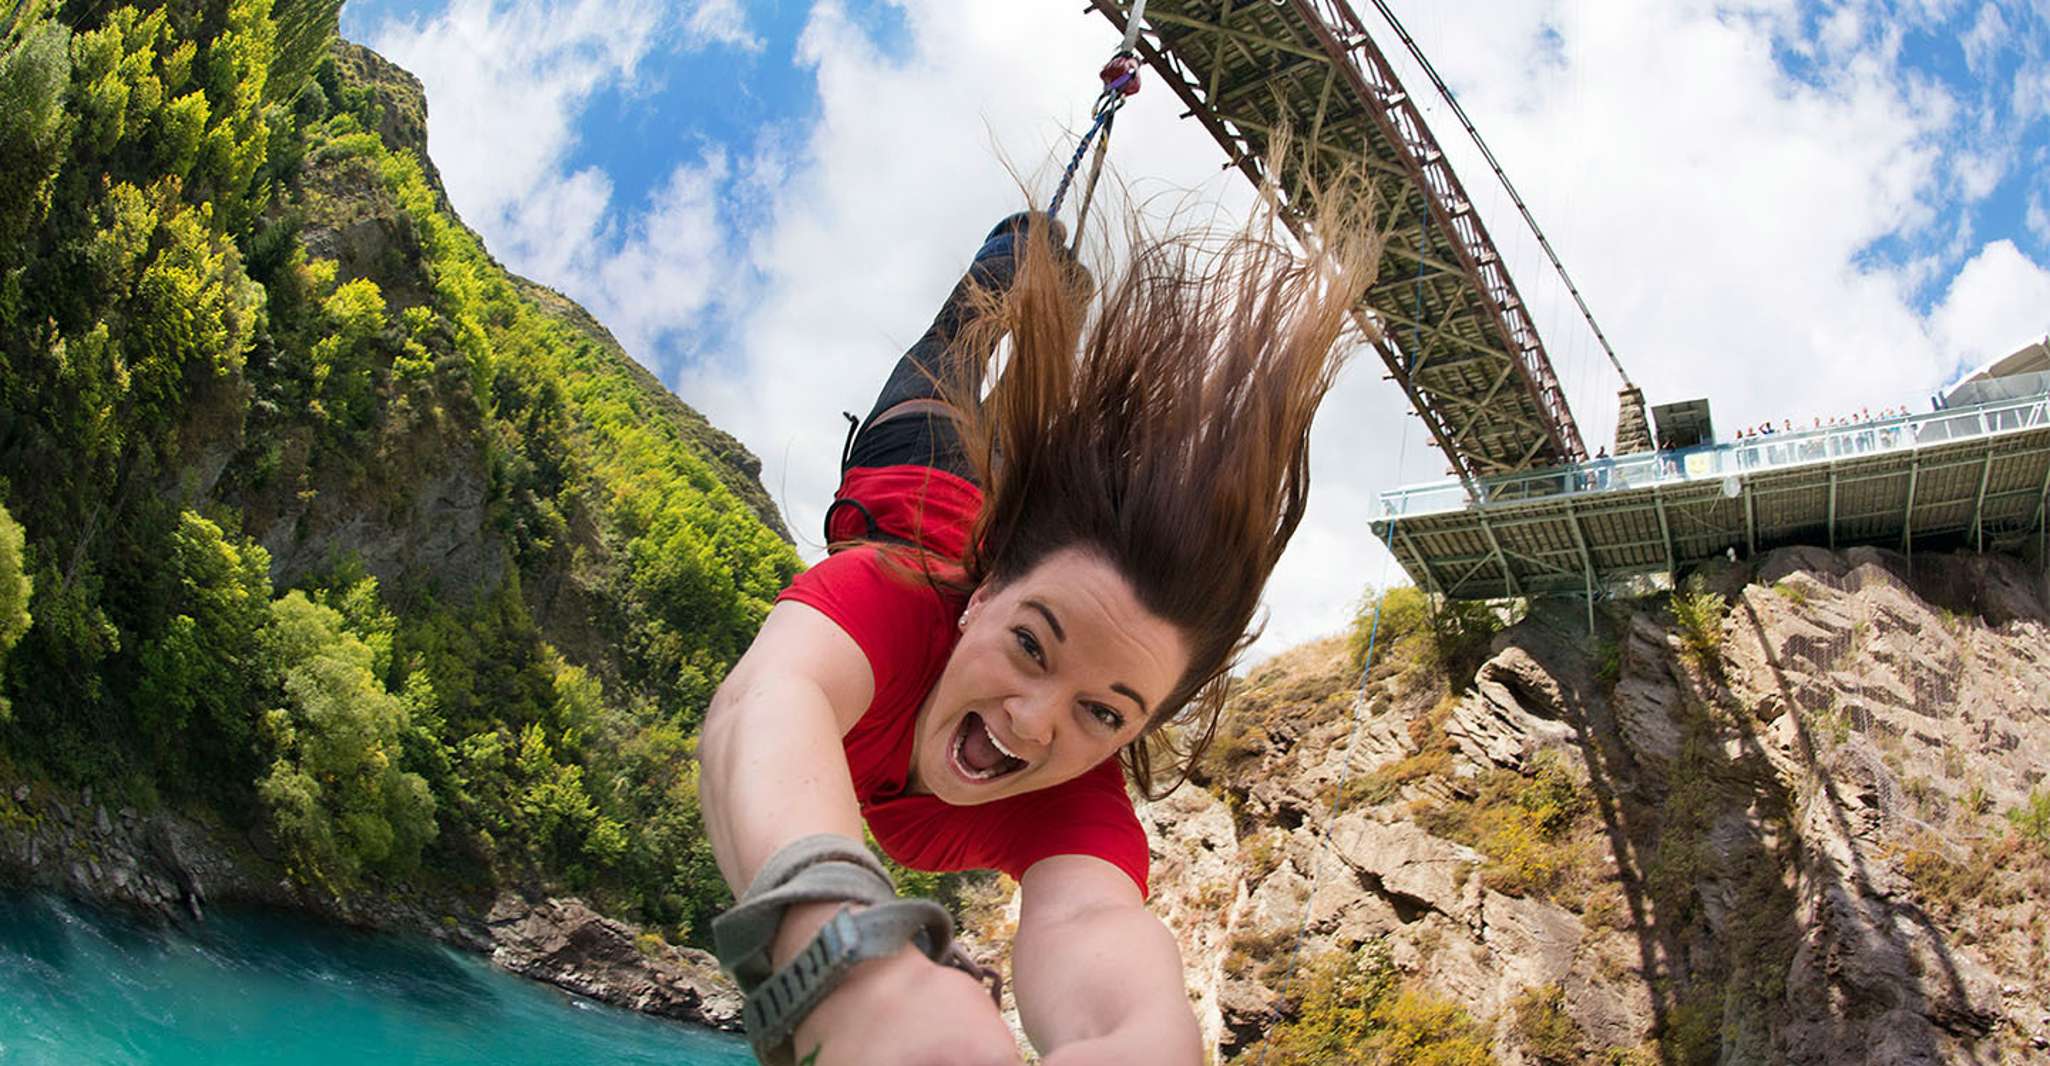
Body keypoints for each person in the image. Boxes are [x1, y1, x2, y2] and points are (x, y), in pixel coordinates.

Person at [697, 190, 1380, 1066]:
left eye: (1104, 712)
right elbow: (766, 701)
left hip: (1012, 526)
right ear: (981, 599)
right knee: (966, 330)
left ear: (1136, 731)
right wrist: (848, 962)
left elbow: (1098, 931)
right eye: (1030, 644)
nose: (1030, 719)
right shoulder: (885, 599)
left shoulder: (1074, 798)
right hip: (913, 465)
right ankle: (1027, 248)